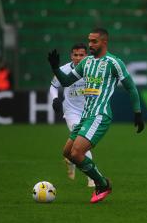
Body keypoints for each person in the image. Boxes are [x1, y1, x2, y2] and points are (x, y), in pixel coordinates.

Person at [47, 28, 145, 203]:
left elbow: (131, 87)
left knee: (77, 153)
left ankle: (101, 184)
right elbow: (66, 81)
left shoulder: (114, 63)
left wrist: (137, 112)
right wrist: (55, 67)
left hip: (100, 115)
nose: (90, 44)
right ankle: (102, 183)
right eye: (89, 41)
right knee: (68, 153)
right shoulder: (86, 63)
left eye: (94, 41)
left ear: (104, 42)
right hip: (86, 116)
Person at [49, 43, 95, 187]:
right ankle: (92, 178)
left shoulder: (93, 69)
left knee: (79, 145)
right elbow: (54, 86)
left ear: (86, 56)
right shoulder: (63, 69)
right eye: (75, 55)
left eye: (81, 55)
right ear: (71, 56)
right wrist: (55, 99)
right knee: (83, 143)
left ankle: (70, 159)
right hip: (72, 112)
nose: (78, 58)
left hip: (90, 111)